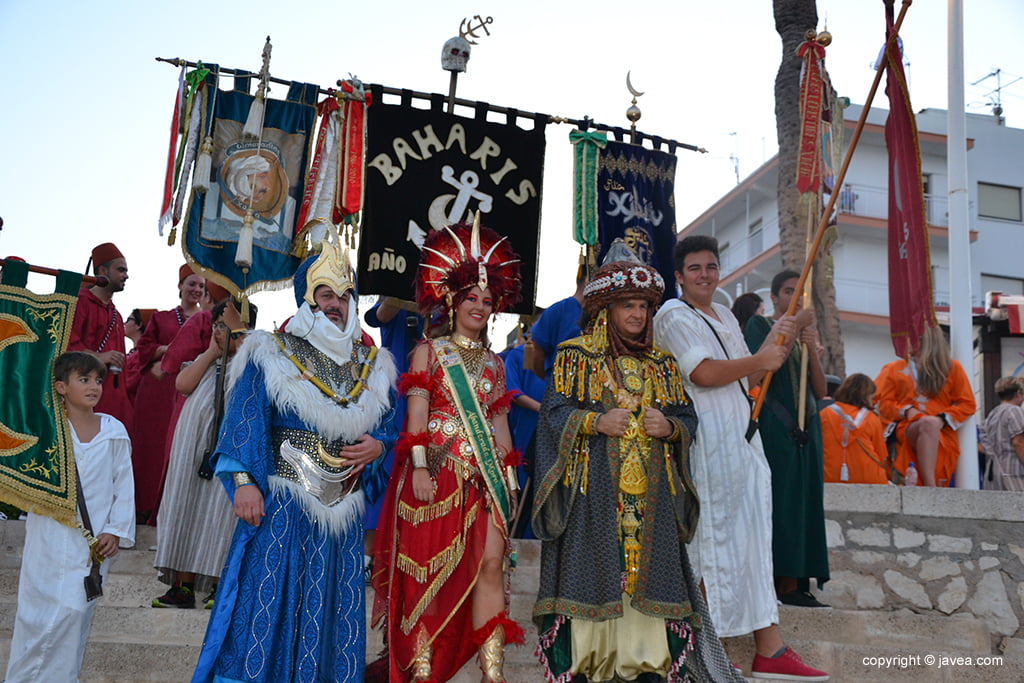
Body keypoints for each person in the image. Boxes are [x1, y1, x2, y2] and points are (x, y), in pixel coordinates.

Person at [191, 234, 397, 683]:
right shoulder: (271, 351)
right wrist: (243, 480)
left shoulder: (375, 364)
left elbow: (392, 428)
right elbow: (246, 417)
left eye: (345, 295)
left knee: (332, 620)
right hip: (282, 505)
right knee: (264, 611)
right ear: (307, 298)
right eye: (326, 294)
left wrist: (381, 445)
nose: (336, 304)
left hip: (342, 518)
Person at [533, 258, 743, 683]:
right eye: (627, 305)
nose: (637, 314)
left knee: (648, 580)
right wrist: (594, 422)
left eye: (644, 306)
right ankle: (592, 665)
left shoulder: (663, 364)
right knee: (595, 573)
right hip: (592, 495)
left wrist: (670, 427)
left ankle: (648, 663)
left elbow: (687, 418)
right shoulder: (576, 357)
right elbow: (553, 417)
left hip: (652, 496)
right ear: (605, 309)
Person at [653, 235, 829, 681]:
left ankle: (770, 648)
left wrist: (784, 333)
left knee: (752, 536)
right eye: (695, 268)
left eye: (711, 266)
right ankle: (703, 648)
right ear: (679, 276)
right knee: (711, 540)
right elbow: (703, 372)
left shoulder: (727, 315)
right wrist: (761, 357)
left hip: (741, 432)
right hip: (706, 432)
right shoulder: (673, 315)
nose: (705, 274)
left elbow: (755, 368)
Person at [371, 220, 523, 683]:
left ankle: (492, 674)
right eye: (471, 298)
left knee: (491, 567)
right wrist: (418, 467)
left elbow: (499, 424)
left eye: (487, 301)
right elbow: (414, 419)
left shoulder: (496, 364)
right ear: (453, 303)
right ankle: (421, 667)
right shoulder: (429, 353)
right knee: (427, 571)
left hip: (486, 479)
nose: (479, 306)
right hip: (437, 469)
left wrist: (511, 483)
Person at [4, 351, 135, 683]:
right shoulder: (46, 431)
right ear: (61, 386)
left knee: (75, 614)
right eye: (84, 379)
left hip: (90, 543)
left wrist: (115, 530)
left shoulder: (113, 430)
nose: (94, 387)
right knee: (37, 616)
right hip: (47, 537)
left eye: (98, 380)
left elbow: (124, 484)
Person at [153, 299, 256, 609]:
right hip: (193, 447)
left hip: (228, 449)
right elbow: (183, 384)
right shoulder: (208, 359)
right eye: (218, 326)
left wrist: (241, 338)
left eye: (228, 326)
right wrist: (212, 351)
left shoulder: (251, 364)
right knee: (184, 507)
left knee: (219, 514)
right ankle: (181, 586)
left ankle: (216, 583)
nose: (221, 332)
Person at [744, 270, 830, 607]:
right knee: (781, 500)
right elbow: (766, 366)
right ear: (775, 297)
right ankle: (781, 582)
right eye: (789, 292)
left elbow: (821, 389)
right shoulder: (761, 326)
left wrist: (812, 348)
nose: (794, 298)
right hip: (775, 424)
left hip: (808, 425)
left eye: (800, 292)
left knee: (806, 501)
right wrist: (795, 329)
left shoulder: (804, 334)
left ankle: (801, 581)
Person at [130, 264, 206, 523]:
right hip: (158, 390)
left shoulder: (207, 319)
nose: (196, 290)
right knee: (151, 446)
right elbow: (143, 349)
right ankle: (144, 508)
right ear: (180, 286)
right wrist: (168, 350)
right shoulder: (161, 318)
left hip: (191, 389)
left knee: (181, 447)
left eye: (201, 286)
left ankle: (174, 512)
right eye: (191, 284)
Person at [875, 325, 977, 487]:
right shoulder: (893, 369)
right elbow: (882, 404)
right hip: (906, 428)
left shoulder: (952, 369)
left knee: (930, 424)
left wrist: (942, 419)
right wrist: (906, 410)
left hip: (941, 432)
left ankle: (930, 485)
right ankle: (931, 488)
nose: (908, 341)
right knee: (927, 424)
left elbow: (968, 404)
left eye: (914, 338)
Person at [68, 242, 132, 428]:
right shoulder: (79, 302)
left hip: (114, 400)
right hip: (82, 397)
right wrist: (99, 357)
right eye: (120, 270)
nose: (126, 276)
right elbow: (66, 344)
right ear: (103, 270)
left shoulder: (116, 315)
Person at [820, 373, 890, 485]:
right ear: (866, 396)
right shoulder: (872, 419)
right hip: (870, 479)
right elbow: (882, 457)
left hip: (828, 477)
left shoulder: (824, 414)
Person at [525, 265, 587, 379]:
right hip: (562, 385)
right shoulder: (559, 310)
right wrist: (549, 380)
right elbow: (536, 351)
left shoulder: (602, 311)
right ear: (587, 280)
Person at [981, 377, 1024, 491]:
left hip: (993, 474)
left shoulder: (992, 414)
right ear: (1018, 393)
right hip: (1013, 473)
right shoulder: (1015, 411)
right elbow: (1018, 442)